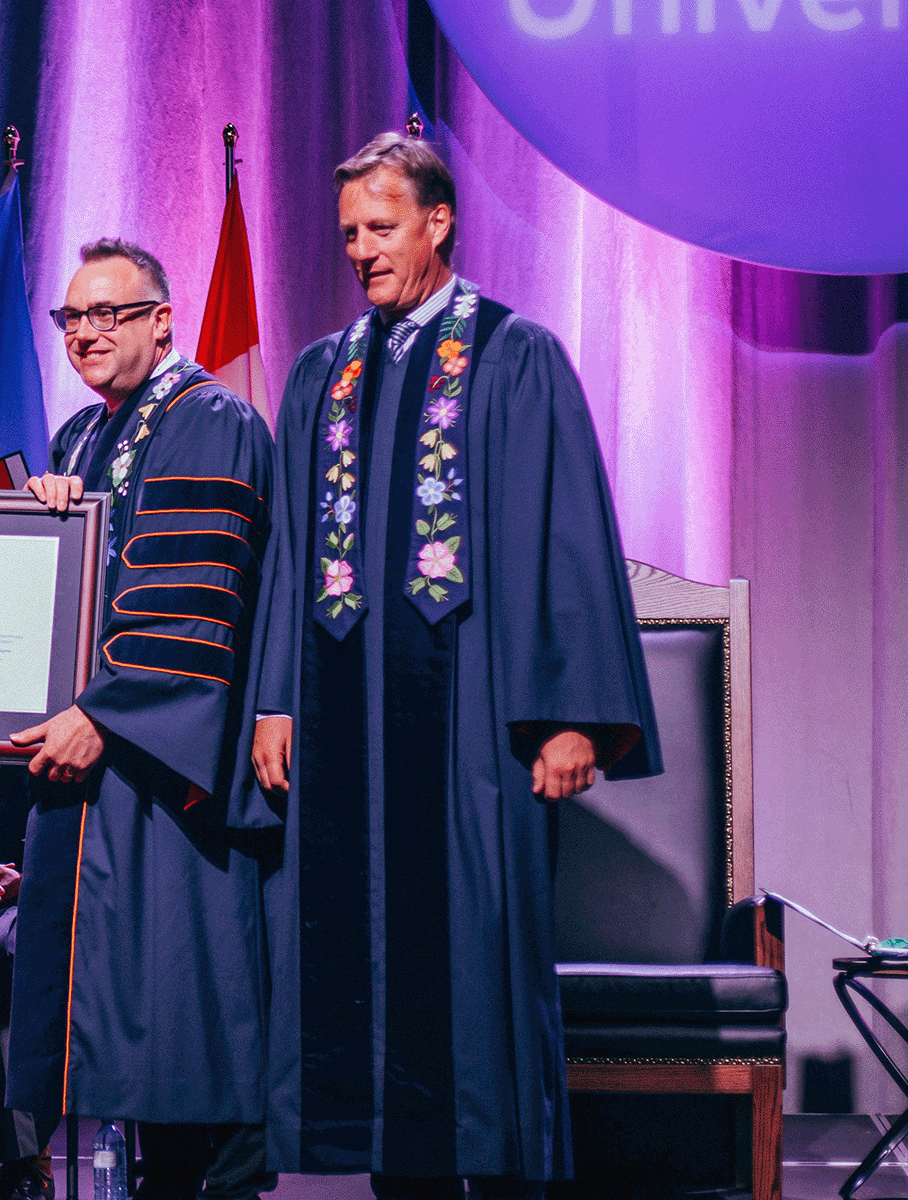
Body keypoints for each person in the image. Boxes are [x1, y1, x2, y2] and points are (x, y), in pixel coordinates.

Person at [245, 132, 661, 1197]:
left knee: (474, 958)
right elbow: (293, 551)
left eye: (380, 229)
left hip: (474, 726)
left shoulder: (516, 357)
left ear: (438, 222)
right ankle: (389, 1165)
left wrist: (574, 717)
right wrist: (276, 702)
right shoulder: (321, 377)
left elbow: (568, 538)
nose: (361, 252)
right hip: (341, 730)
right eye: (348, 234)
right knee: (356, 976)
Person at [3, 241, 277, 1200]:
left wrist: (104, 716)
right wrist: (44, 519)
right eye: (72, 318)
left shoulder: (210, 420)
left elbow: (193, 604)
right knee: (118, 1016)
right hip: (98, 760)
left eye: (109, 314)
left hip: (168, 771)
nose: (86, 332)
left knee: (181, 1011)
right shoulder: (83, 438)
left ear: (164, 320)